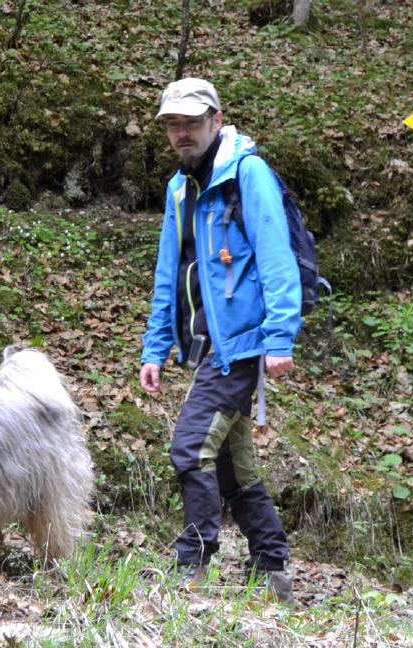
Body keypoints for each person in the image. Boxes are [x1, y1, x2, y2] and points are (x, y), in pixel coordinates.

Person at [139, 77, 301, 603]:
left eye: (190, 122)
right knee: (232, 464)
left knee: (189, 449)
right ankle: (271, 567)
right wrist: (155, 347)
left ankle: (195, 566)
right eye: (172, 125)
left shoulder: (247, 175)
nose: (181, 133)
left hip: (244, 344)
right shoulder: (179, 188)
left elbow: (277, 257)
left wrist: (280, 337)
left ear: (215, 119)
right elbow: (170, 270)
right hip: (207, 346)